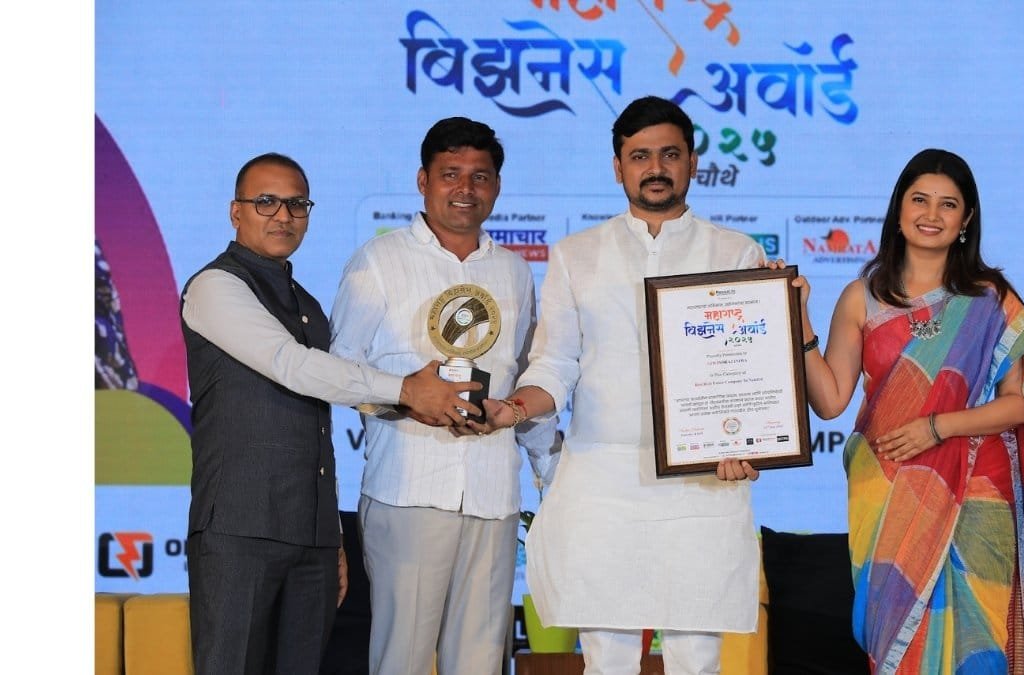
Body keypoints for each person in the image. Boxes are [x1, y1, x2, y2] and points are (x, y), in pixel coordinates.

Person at [482, 95, 763, 675]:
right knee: (607, 658)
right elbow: (554, 364)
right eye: (640, 156)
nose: (655, 168)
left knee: (697, 659)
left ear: (692, 162)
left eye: (669, 155)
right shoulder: (576, 255)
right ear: (618, 167)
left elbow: (753, 375)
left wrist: (750, 442)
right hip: (603, 482)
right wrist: (514, 408)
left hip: (701, 483)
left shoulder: (737, 253)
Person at [181, 152, 478, 675]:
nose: (283, 215)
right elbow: (293, 367)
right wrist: (408, 389)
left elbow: (322, 417)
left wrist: (334, 537)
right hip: (239, 531)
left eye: (297, 204)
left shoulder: (307, 304)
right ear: (236, 211)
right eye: (266, 202)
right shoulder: (215, 287)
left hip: (313, 538)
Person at [793, 148, 1024, 673]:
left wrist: (937, 427)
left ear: (966, 219)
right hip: (888, 490)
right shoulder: (861, 298)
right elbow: (829, 402)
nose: (931, 214)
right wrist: (799, 318)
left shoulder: (991, 299)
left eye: (948, 204)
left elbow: (1020, 405)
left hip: (975, 495)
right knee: (898, 645)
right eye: (920, 199)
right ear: (899, 208)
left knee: (978, 643)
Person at [328, 117, 559, 675]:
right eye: (450, 173)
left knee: (480, 660)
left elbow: (527, 377)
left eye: (480, 176)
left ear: (497, 186)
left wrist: (552, 476)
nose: (465, 188)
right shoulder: (378, 260)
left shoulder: (514, 272)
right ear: (423, 181)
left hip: (492, 494)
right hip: (407, 491)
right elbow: (337, 370)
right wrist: (407, 397)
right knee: (402, 659)